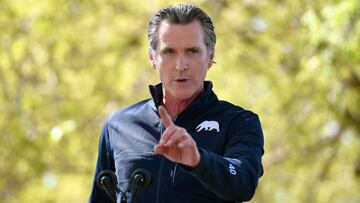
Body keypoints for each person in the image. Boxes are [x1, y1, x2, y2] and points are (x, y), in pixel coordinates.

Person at [89, 4, 264, 203]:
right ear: (152, 57)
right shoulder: (118, 124)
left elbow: (243, 183)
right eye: (169, 52)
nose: (181, 66)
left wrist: (199, 161)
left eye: (192, 51)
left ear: (210, 56)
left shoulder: (239, 122)